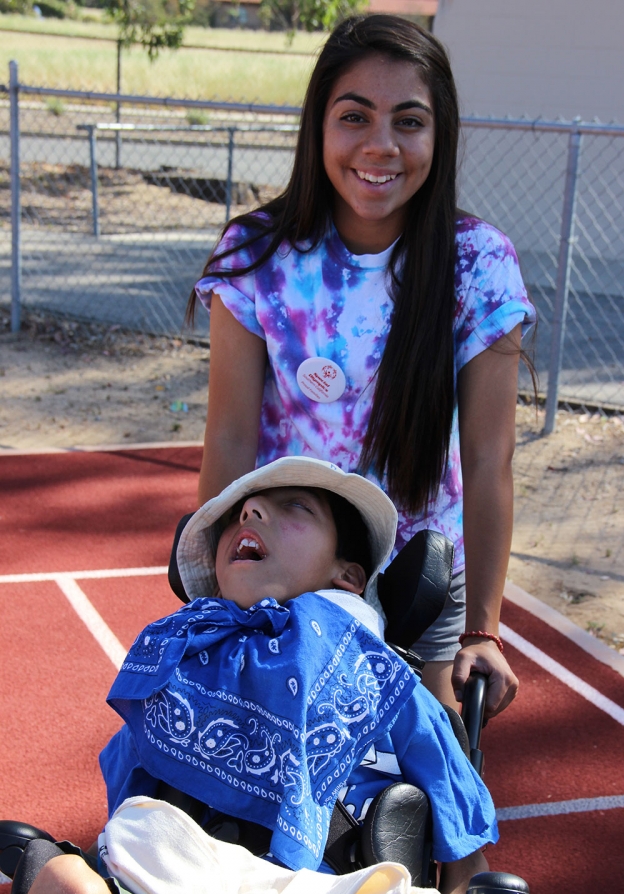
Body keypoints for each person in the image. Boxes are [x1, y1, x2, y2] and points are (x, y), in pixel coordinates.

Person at [186, 15, 536, 719]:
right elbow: (229, 437)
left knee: (422, 796)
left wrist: (483, 630)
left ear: (440, 136)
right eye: (355, 117)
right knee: (272, 797)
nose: (381, 146)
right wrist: (208, 599)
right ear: (319, 125)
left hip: (423, 581)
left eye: (409, 121)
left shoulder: (479, 264)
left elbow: (489, 457)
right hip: (293, 573)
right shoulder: (255, 254)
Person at [19, 457, 498, 894]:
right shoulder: (177, 662)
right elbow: (126, 800)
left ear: (348, 577)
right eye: (241, 514)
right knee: (65, 885)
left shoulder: (382, 680)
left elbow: (456, 812)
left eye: (295, 506)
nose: (249, 513)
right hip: (175, 892)